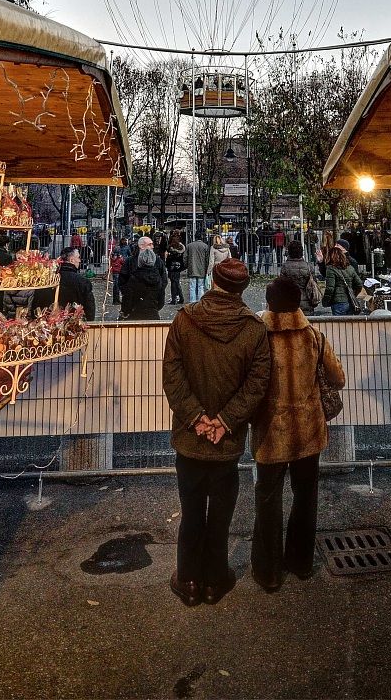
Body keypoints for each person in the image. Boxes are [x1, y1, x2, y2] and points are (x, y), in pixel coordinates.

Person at [162, 258, 271, 607]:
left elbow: (172, 376)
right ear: (243, 288)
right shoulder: (254, 329)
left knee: (191, 510)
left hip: (190, 438)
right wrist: (224, 421)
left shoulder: (184, 319)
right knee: (221, 512)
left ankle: (188, 579)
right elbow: (257, 384)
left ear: (212, 280)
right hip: (227, 439)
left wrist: (196, 419)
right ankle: (214, 579)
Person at [250, 276, 345, 591]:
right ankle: (301, 562)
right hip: (308, 431)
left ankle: (269, 571)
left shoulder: (258, 339)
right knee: (305, 497)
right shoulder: (313, 336)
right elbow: (338, 378)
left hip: (270, 433)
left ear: (269, 304)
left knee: (268, 498)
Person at [119, 235, 167, 316]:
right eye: (149, 244)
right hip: (134, 304)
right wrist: (127, 293)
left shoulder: (158, 261)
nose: (152, 247)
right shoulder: (130, 261)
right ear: (141, 246)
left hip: (152, 303)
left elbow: (164, 279)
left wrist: (157, 293)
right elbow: (122, 280)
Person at [322, 244, 364, 316]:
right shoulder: (350, 268)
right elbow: (359, 284)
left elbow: (330, 289)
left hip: (338, 302)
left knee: (339, 322)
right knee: (348, 322)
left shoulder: (330, 269)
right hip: (350, 301)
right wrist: (353, 294)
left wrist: (325, 301)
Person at [279, 240, 319, 314]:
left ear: (289, 252)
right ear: (301, 252)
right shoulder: (308, 266)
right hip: (306, 302)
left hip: (290, 302)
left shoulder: (285, 267)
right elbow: (314, 284)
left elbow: (281, 287)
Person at [57, 245, 95, 322]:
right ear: (71, 260)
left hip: (51, 322)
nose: (80, 260)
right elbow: (90, 308)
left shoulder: (51, 279)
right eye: (78, 257)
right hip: (75, 323)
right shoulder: (83, 281)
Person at [185, 230, 209, 305]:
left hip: (192, 268)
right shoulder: (205, 246)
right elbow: (207, 259)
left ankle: (192, 302)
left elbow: (185, 257)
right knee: (201, 286)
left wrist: (186, 266)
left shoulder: (189, 246)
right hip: (202, 269)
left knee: (192, 286)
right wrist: (207, 269)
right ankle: (200, 302)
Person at [109, 236, 130, 307]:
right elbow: (127, 258)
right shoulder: (121, 257)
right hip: (121, 270)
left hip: (115, 271)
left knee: (116, 285)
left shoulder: (113, 256)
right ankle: (121, 299)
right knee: (121, 285)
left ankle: (115, 300)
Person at [166, 230, 186, 305]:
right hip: (178, 265)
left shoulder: (171, 243)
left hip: (171, 264)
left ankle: (175, 299)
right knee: (176, 281)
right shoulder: (181, 243)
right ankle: (180, 298)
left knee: (174, 282)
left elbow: (167, 248)